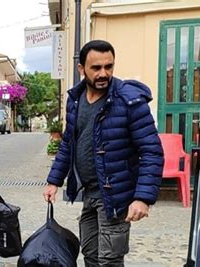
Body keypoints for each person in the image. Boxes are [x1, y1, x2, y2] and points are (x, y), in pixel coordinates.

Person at [42, 40, 164, 266]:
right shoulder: (75, 100)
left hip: (115, 197)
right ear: (81, 69)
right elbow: (69, 142)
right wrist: (54, 181)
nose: (103, 73)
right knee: (90, 255)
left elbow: (151, 151)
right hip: (89, 194)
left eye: (109, 67)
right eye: (96, 68)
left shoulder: (129, 101)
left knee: (109, 261)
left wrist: (142, 198)